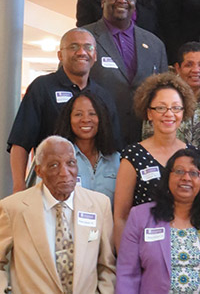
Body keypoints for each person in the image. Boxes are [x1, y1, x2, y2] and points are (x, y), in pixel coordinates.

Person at [7, 28, 121, 193]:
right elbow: (20, 142)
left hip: (97, 187)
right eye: (74, 47)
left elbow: (113, 145)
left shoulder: (103, 95)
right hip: (48, 184)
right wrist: (19, 186)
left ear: (95, 55)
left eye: (88, 47)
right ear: (60, 55)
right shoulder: (42, 87)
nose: (81, 52)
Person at [0, 136, 116, 293]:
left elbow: (107, 265)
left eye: (71, 164)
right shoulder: (13, 208)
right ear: (39, 171)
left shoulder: (99, 205)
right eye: (54, 165)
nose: (65, 172)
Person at [116, 148, 200, 293]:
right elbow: (127, 274)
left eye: (194, 173)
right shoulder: (140, 216)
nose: (186, 178)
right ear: (167, 177)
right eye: (179, 171)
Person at [113, 72, 196, 251]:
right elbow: (121, 216)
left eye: (176, 108)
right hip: (144, 250)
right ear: (149, 113)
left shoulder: (194, 156)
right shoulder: (133, 156)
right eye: (161, 108)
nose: (169, 114)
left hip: (186, 250)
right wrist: (126, 263)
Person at [83, 0, 169, 145]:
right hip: (98, 138)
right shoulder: (85, 38)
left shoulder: (155, 44)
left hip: (144, 140)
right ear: (102, 0)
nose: (122, 0)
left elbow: (163, 93)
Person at [142, 42, 200, 176]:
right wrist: (173, 175)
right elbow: (148, 137)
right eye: (189, 64)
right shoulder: (161, 98)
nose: (195, 70)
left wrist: (196, 175)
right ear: (177, 68)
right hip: (163, 176)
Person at [55, 91, 121, 204]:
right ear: (68, 119)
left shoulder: (117, 159)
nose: (86, 119)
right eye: (78, 114)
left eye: (92, 113)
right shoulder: (56, 158)